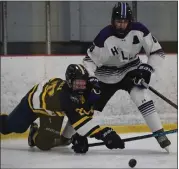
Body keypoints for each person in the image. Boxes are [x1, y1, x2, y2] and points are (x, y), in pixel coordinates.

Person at [83, 2, 171, 151]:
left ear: (130, 21)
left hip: (131, 70)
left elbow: (157, 52)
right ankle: (69, 137)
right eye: (118, 21)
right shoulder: (103, 37)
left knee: (142, 95)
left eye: (125, 22)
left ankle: (160, 134)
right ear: (112, 21)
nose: (121, 25)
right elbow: (89, 60)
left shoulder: (140, 30)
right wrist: (92, 79)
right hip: (105, 75)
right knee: (87, 107)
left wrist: (146, 69)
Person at [0, 64, 125, 153]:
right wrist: (103, 134)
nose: (81, 87)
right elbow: (76, 118)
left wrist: (79, 135)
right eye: (78, 84)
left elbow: (84, 113)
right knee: (14, 127)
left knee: (49, 143)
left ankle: (34, 134)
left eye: (83, 83)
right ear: (70, 82)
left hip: (54, 112)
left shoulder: (86, 90)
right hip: (33, 104)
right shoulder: (62, 96)